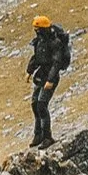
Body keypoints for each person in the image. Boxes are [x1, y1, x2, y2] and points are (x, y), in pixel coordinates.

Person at [25, 15, 71, 147]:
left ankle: (47, 137)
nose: (36, 31)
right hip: (41, 76)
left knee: (42, 105)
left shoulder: (54, 43)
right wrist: (29, 71)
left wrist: (50, 80)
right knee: (35, 104)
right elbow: (36, 57)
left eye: (37, 28)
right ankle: (38, 135)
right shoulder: (40, 41)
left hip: (49, 77)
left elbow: (56, 63)